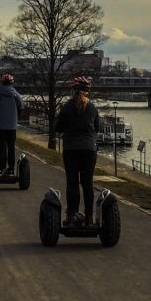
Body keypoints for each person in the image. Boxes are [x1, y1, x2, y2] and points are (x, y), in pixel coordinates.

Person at [54, 76, 101, 227]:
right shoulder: (93, 109)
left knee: (72, 183)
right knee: (87, 183)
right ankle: (89, 217)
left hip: (71, 149)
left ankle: (71, 215)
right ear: (87, 92)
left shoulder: (67, 107)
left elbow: (58, 127)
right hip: (89, 150)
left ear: (73, 90)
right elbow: (97, 129)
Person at [0, 73, 23, 175]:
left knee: (1, 147)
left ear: (2, 82)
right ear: (12, 82)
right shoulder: (16, 95)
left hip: (0, 126)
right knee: (11, 147)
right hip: (12, 126)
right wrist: (14, 117)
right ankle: (11, 169)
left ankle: (0, 169)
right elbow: (21, 109)